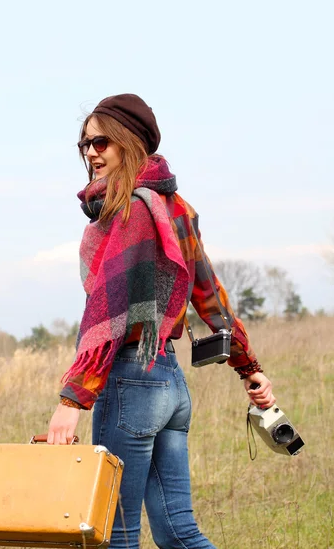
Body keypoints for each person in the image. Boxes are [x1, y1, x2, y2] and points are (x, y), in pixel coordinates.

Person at [46, 94, 276, 549]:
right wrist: (251, 368)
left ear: (129, 142)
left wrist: (72, 401)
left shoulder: (129, 211)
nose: (90, 152)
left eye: (101, 141)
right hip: (169, 385)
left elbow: (107, 317)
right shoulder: (176, 208)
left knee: (117, 536)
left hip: (131, 382)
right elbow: (210, 295)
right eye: (83, 144)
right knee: (178, 533)